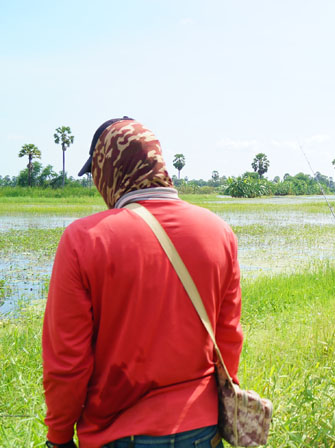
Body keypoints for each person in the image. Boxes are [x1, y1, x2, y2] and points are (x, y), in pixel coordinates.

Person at [42, 117, 243, 448]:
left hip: (117, 434)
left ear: (107, 170)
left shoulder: (83, 239)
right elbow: (229, 338)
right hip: (203, 431)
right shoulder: (218, 232)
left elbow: (67, 363)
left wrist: (59, 436)